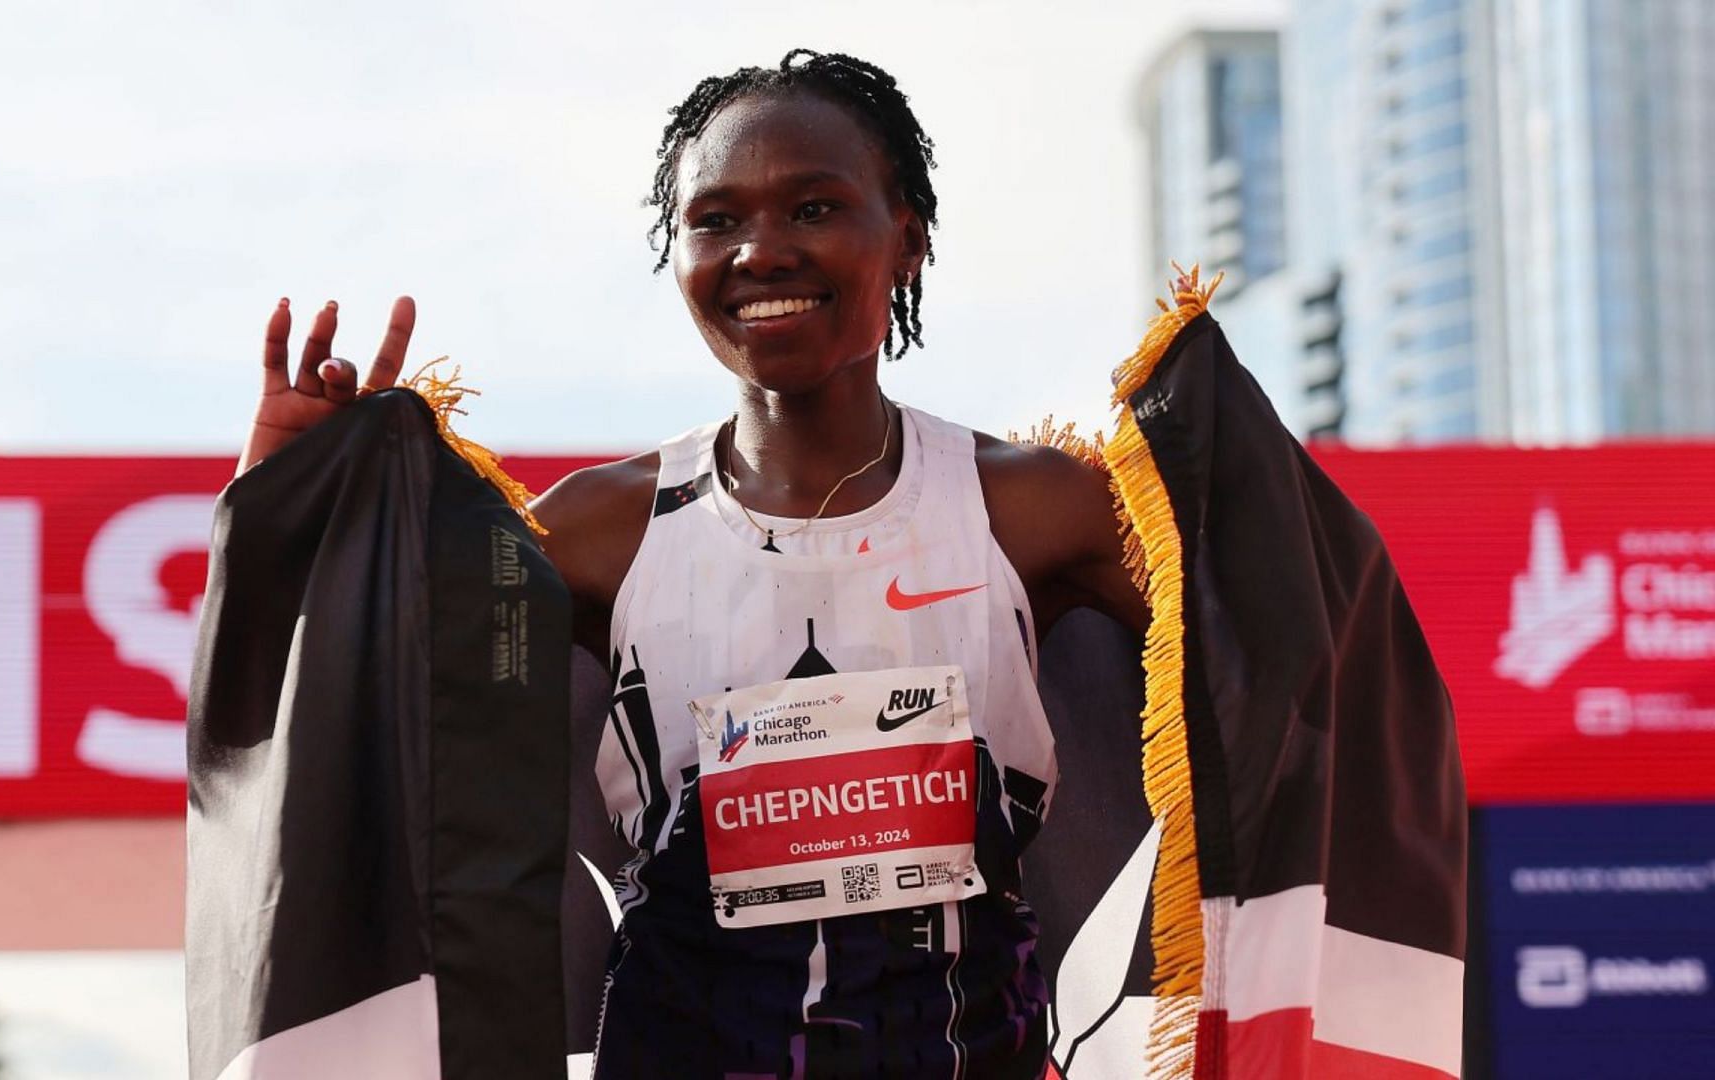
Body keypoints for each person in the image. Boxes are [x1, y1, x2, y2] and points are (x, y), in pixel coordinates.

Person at [242, 49, 1149, 1080]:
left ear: (908, 239)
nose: (761, 251)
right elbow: (347, 730)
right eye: (715, 220)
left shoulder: (1035, 507)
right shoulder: (597, 530)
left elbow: (1276, 687)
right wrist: (286, 506)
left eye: (813, 208)